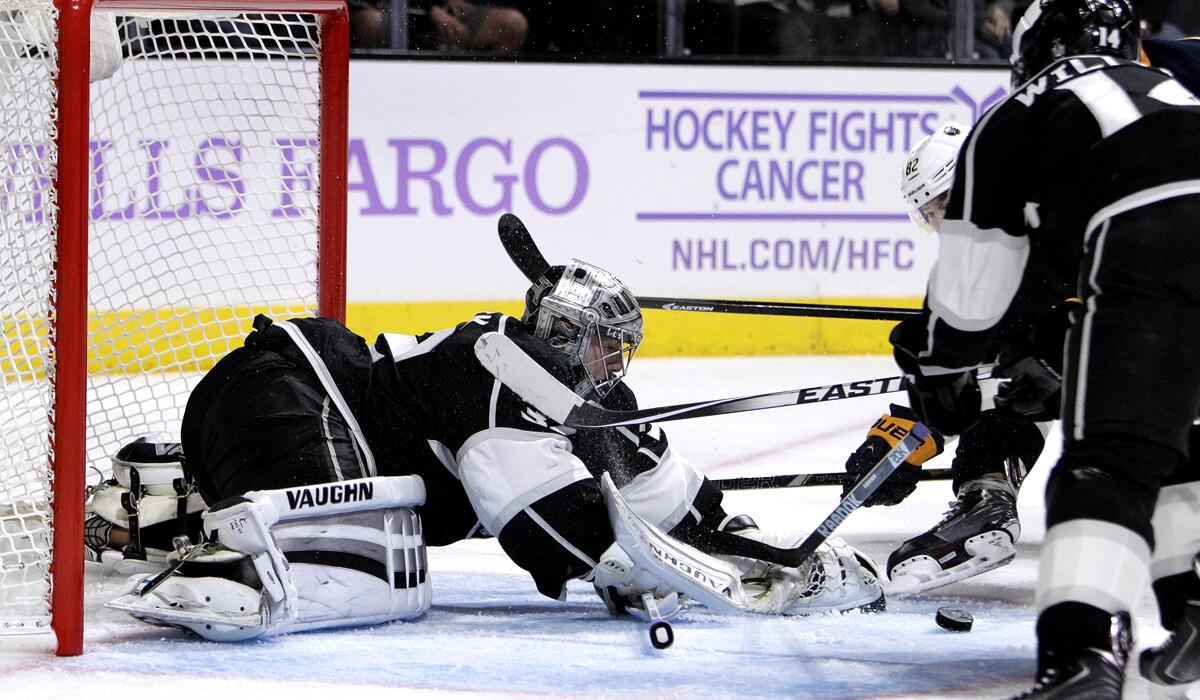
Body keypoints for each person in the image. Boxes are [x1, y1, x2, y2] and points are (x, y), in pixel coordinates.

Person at [91, 238, 885, 641]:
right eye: (605, 344)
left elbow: (662, 490)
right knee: (366, 577)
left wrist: (743, 544)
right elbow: (539, 525)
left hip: (264, 417)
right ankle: (238, 564)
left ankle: (169, 503)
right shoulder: (503, 375)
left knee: (387, 529)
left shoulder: (576, 398)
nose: (615, 363)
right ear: (566, 337)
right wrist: (608, 562)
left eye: (622, 348)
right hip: (290, 402)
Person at [887, 0, 1200, 695]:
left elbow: (972, 301)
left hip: (1150, 242)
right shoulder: (1167, 84)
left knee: (1107, 464)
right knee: (1170, 441)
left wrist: (939, 372)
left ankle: (1079, 654)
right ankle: (1191, 608)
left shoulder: (1017, 112)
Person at [840, 122, 1068, 597]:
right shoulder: (997, 241)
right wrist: (903, 437)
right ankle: (987, 495)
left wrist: (915, 432)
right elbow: (964, 370)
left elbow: (977, 368)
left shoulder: (1045, 224)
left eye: (941, 204)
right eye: (927, 212)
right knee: (1020, 386)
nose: (938, 223)